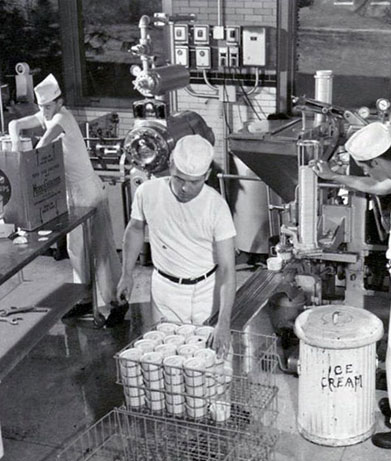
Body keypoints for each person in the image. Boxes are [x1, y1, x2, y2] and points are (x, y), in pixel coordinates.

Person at [313, 122, 391, 449]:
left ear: (376, 162)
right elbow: (378, 187)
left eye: (368, 167)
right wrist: (334, 176)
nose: (369, 174)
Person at [8, 74, 128, 327]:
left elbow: (43, 145)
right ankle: (84, 297)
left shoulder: (62, 118)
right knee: (77, 250)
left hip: (88, 191)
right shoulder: (49, 115)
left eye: (48, 106)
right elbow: (16, 125)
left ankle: (118, 302)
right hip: (71, 194)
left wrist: (20, 161)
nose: (44, 111)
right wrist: (15, 136)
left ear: (59, 102)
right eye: (41, 107)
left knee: (101, 250)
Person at [116, 134, 236, 356]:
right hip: (165, 290)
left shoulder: (216, 206)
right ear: (170, 165)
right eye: (179, 179)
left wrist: (224, 321)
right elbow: (134, 229)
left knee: (207, 364)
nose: (185, 189)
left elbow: (228, 269)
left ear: (207, 175)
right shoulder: (148, 193)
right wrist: (127, 273)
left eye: (195, 182)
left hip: (206, 292)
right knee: (167, 360)